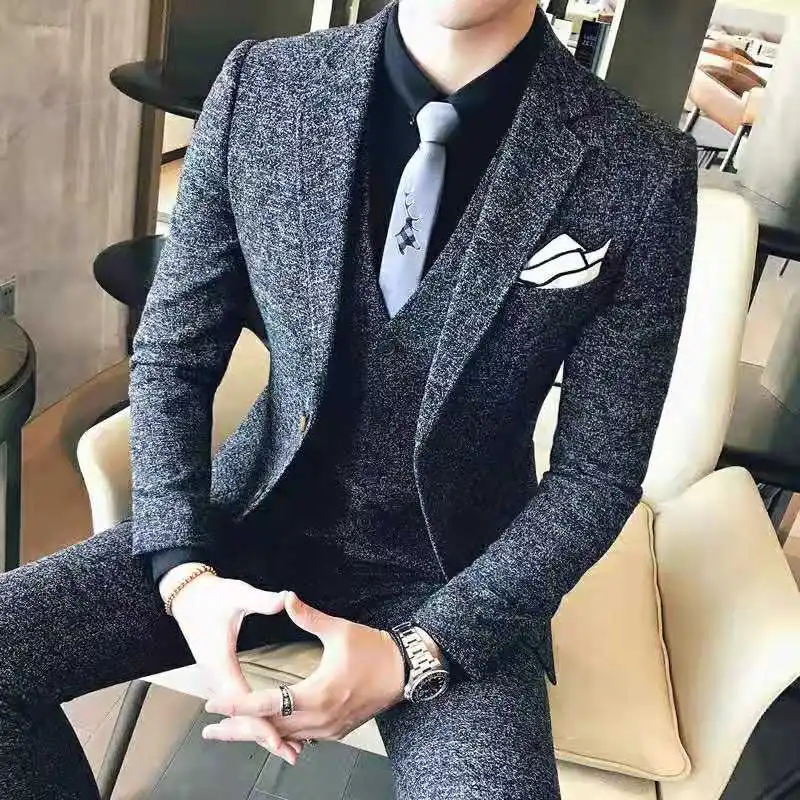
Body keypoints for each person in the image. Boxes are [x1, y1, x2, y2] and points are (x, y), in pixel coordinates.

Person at [0, 0, 698, 798]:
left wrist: (419, 651)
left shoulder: (640, 167)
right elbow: (173, 356)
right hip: (248, 527)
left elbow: (596, 477)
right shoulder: (264, 87)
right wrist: (184, 574)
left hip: (455, 571)